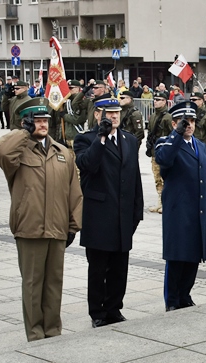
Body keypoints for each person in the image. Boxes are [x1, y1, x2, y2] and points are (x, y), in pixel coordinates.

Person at [0, 98, 82, 341]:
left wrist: (73, 226)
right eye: (37, 121)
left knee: (54, 283)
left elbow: (75, 192)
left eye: (45, 121)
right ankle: (35, 333)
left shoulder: (63, 153)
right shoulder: (18, 153)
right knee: (32, 284)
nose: (43, 125)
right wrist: (22, 133)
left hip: (57, 227)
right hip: (29, 228)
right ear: (27, 123)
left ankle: (53, 330)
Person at [74, 94, 144, 328]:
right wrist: (101, 138)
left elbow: (134, 178)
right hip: (99, 214)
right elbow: (87, 165)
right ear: (97, 115)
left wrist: (137, 210)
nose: (114, 117)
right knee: (98, 268)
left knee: (119, 267)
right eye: (108, 113)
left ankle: (114, 308)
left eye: (116, 113)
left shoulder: (130, 140)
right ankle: (98, 312)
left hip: (124, 214)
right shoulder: (86, 139)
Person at [154, 103, 206, 310]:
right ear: (174, 123)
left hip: (197, 209)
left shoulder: (200, 145)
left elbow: (205, 178)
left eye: (191, 122)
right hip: (178, 210)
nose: (189, 125)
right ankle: (172, 300)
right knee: (177, 256)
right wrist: (177, 134)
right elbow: (163, 160)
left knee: (193, 256)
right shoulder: (165, 143)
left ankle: (185, 295)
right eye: (184, 122)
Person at [54, 80, 88, 154]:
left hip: (76, 135)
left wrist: (64, 116)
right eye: (68, 88)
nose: (69, 90)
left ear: (78, 89)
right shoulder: (68, 101)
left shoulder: (81, 101)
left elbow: (77, 119)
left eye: (71, 88)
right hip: (67, 136)